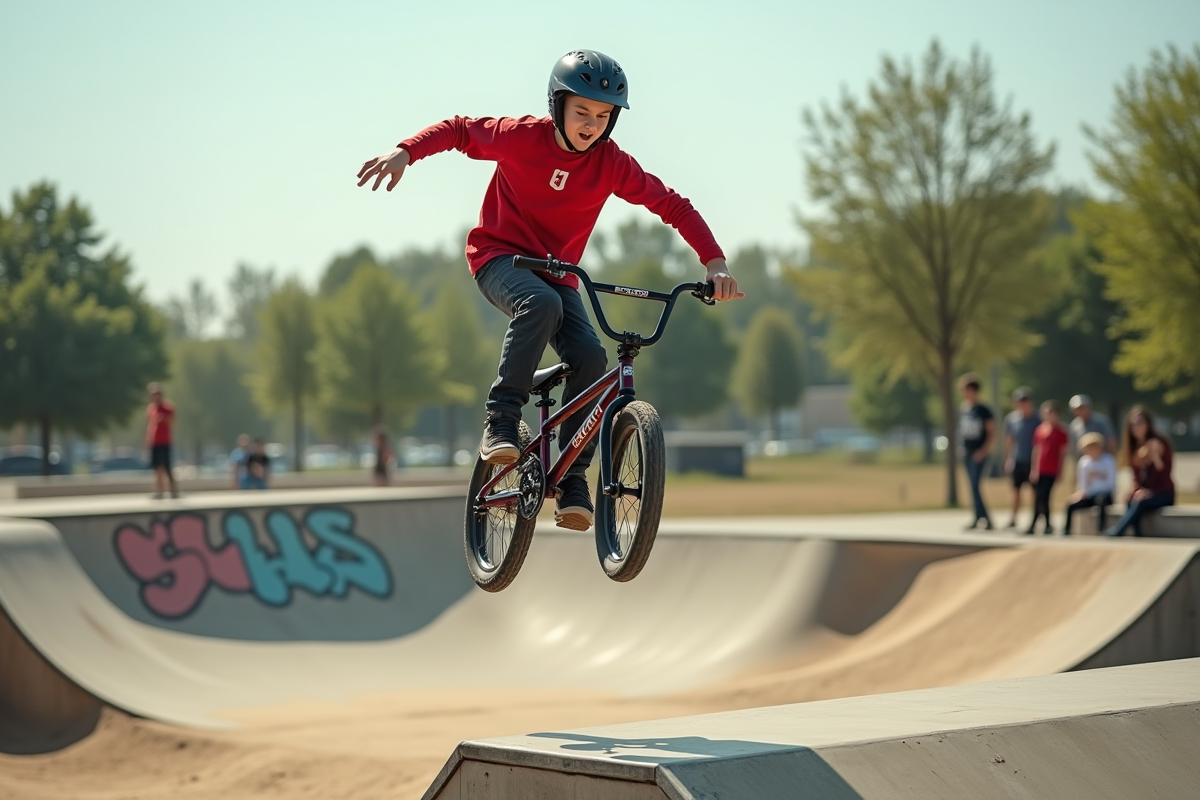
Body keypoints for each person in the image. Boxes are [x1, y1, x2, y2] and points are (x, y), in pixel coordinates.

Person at [356, 49, 742, 532]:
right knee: (538, 303)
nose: (591, 125)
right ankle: (501, 417)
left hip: (559, 275)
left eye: (603, 117)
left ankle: (573, 478)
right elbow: (458, 129)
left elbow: (673, 205)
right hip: (500, 258)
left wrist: (716, 263)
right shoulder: (521, 136)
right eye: (581, 111)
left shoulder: (611, 163)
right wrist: (406, 151)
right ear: (557, 105)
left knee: (592, 358)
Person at [1104, 406, 1175, 537]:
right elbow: (1138, 477)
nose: (1136, 427)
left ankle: (1118, 531)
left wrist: (1155, 457)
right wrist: (1135, 489)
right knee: (1130, 498)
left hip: (1163, 492)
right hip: (1146, 492)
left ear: (1148, 424)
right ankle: (1137, 534)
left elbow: (1164, 473)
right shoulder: (1134, 446)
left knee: (1140, 501)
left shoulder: (1158, 442)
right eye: (1133, 425)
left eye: (1139, 423)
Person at [958, 373, 995, 530]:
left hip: (979, 454)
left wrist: (983, 451)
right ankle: (977, 517)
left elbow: (992, 433)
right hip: (966, 452)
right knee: (971, 486)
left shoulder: (983, 410)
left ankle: (986, 519)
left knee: (975, 485)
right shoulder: (964, 409)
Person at [1063, 432, 1116, 535]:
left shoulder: (1108, 460)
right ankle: (1067, 530)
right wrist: (1081, 493)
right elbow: (1082, 483)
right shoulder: (1084, 462)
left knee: (1101, 501)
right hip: (1089, 495)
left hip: (1105, 494)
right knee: (1071, 504)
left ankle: (1101, 529)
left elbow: (1111, 483)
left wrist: (1099, 475)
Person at [1028, 400, 1068, 534]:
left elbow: (1063, 453)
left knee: (1044, 496)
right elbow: (1037, 450)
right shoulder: (1040, 429)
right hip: (1041, 469)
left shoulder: (1061, 432)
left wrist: (1061, 470)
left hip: (1052, 469)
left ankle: (1044, 523)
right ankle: (1042, 523)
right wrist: (1034, 469)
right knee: (1038, 497)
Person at [1003, 387, 1039, 529]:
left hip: (1033, 460)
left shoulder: (1037, 419)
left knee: (1034, 492)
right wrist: (1007, 458)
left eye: (1025, 401)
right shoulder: (1012, 419)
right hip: (1018, 459)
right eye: (1020, 401)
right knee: (1015, 491)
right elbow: (1009, 440)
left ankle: (1035, 518)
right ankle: (1013, 518)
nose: (1023, 404)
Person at [144, 383, 179, 499]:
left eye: (157, 394)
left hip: (165, 442)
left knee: (167, 467)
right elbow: (150, 425)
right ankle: (160, 491)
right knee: (157, 467)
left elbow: (172, 422)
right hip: (154, 442)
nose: (155, 397)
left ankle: (173, 490)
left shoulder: (168, 408)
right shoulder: (151, 409)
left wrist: (163, 419)